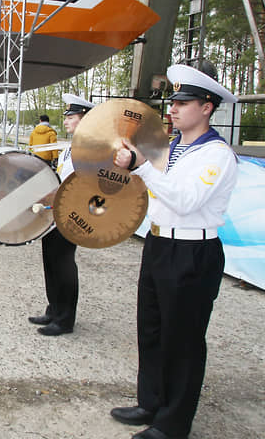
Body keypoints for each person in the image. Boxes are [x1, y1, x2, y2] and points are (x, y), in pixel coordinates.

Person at [110, 63, 238, 439]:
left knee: (182, 339)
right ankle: (151, 402)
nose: (174, 108)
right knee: (151, 328)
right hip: (160, 243)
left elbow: (185, 200)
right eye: (174, 101)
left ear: (207, 107)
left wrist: (143, 168)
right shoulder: (174, 147)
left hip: (193, 252)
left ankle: (173, 423)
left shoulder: (215, 154)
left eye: (185, 102)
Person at [28, 93, 94, 336]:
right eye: (66, 116)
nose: (66, 121)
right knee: (51, 261)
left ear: (85, 118)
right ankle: (54, 309)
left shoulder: (91, 149)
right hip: (55, 212)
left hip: (72, 214)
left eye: (72, 116)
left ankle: (65, 319)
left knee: (64, 264)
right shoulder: (71, 147)